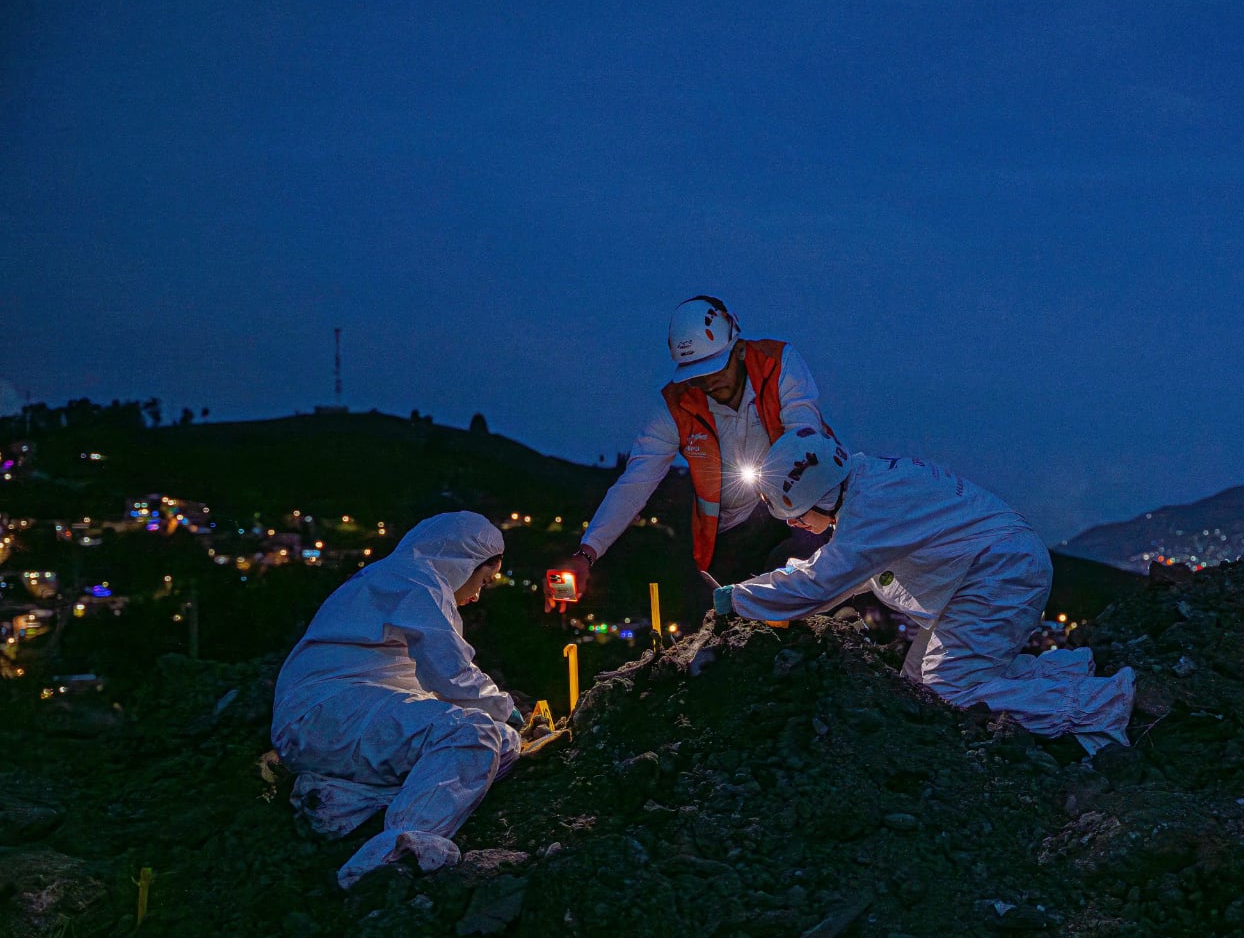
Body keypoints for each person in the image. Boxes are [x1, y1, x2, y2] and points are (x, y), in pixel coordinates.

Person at [710, 429, 1135, 753]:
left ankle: (1097, 704)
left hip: (999, 573)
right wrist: (769, 588)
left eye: (797, 515)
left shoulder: (871, 508)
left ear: (819, 497)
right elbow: (844, 567)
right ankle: (1062, 676)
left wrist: (740, 598)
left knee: (947, 691)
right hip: (994, 567)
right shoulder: (867, 487)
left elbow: (823, 582)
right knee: (917, 684)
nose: (794, 525)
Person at [272, 511, 522, 888]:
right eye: (483, 579)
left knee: (501, 742)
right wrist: (507, 708)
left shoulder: (401, 577)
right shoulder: (415, 581)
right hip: (325, 712)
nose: (477, 593)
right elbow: (451, 673)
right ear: (464, 561)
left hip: (346, 717)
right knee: (472, 732)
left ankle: (337, 804)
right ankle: (396, 852)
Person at [549, 295, 838, 608]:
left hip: (798, 509)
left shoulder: (779, 363)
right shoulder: (675, 405)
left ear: (738, 349)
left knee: (812, 562)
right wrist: (586, 554)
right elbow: (635, 483)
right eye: (697, 374)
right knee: (725, 610)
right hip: (732, 532)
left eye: (716, 368)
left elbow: (806, 440)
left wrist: (811, 507)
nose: (709, 381)